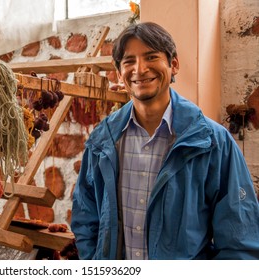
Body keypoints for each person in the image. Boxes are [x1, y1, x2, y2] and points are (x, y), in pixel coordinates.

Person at [71, 21, 259, 260]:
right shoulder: (103, 141)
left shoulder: (213, 143)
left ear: (174, 65)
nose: (140, 69)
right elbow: (85, 216)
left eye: (151, 57)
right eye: (129, 61)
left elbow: (239, 239)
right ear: (119, 73)